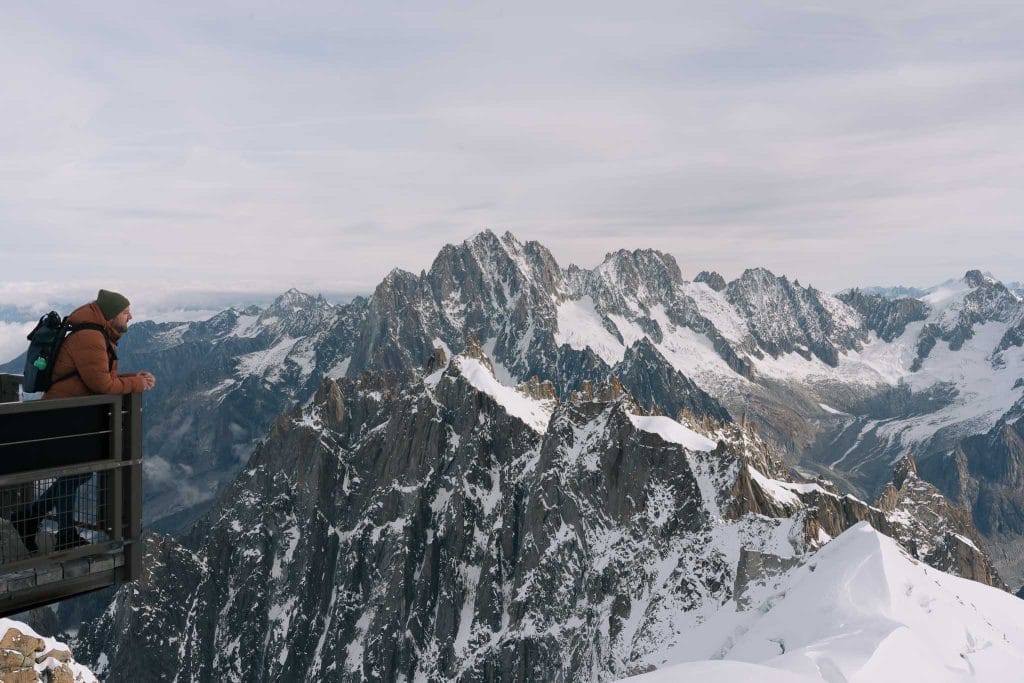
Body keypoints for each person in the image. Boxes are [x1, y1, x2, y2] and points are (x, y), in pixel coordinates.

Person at [12, 289, 156, 552]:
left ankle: (33, 522)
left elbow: (97, 375)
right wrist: (137, 384)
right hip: (62, 417)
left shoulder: (97, 333)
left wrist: (135, 377)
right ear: (112, 314)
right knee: (74, 471)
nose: (130, 317)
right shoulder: (90, 336)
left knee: (77, 471)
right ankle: (52, 529)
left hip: (69, 417)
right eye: (126, 312)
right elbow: (101, 383)